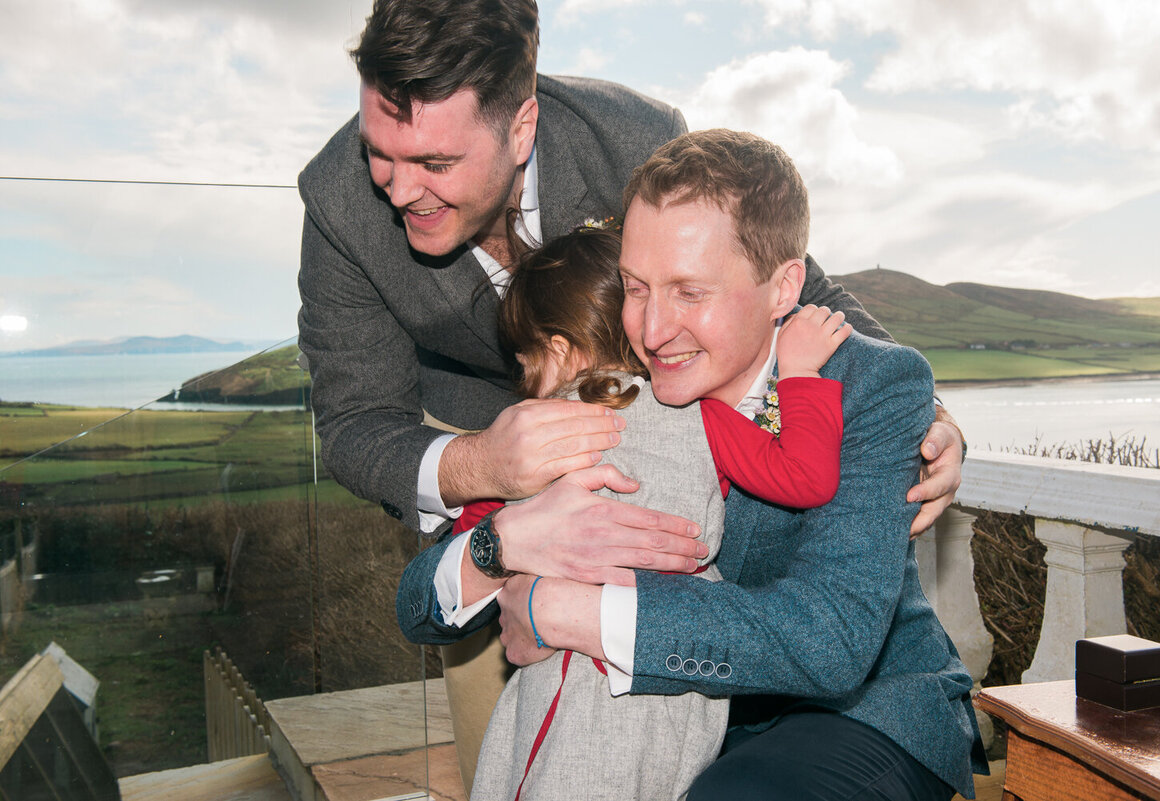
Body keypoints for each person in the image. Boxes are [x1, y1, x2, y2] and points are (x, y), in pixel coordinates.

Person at [298, 0, 966, 784]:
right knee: (520, 757)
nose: (398, 187)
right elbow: (354, 423)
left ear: (520, 128)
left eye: (436, 164)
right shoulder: (342, 202)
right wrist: (491, 491)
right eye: (382, 152)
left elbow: (783, 272)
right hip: (492, 462)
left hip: (818, 702)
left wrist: (920, 413)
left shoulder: (631, 138)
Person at [397, 129, 987, 800]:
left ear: (782, 286)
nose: (650, 332)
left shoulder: (871, 382)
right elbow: (418, 607)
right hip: (676, 727)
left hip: (861, 717)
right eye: (635, 288)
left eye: (689, 293)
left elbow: (831, 639)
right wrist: (499, 544)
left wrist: (574, 612)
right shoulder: (611, 395)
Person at [431, 224, 846, 800]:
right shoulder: (701, 416)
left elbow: (478, 529)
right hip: (671, 681)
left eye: (524, 365)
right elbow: (805, 478)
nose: (524, 386)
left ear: (557, 350)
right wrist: (800, 375)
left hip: (561, 686)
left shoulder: (535, 434)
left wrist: (502, 549)